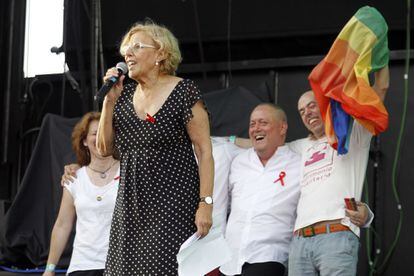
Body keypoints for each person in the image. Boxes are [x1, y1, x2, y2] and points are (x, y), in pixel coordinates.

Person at [97, 20, 214, 275]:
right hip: (131, 207)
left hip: (173, 204)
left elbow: (204, 150)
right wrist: (109, 102)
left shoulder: (183, 91)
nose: (128, 53)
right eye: (126, 48)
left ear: (161, 53)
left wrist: (205, 203)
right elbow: (104, 148)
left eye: (137, 46)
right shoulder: (123, 96)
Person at [288, 65, 390, 276]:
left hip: (336, 235)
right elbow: (260, 147)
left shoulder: (354, 134)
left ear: (325, 105)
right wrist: (216, 140)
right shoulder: (300, 147)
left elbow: (380, 90)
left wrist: (381, 55)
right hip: (299, 242)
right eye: (301, 111)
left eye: (311, 106)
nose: (307, 113)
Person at [220, 103, 301, 276]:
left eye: (263, 122)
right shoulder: (238, 161)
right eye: (252, 124)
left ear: (282, 128)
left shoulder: (298, 164)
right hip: (229, 260)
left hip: (269, 257)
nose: (256, 128)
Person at [43, 112, 120, 276]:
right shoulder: (75, 178)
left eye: (105, 132)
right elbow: (62, 224)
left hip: (121, 265)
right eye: (94, 133)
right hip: (82, 266)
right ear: (84, 141)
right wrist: (49, 269)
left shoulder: (129, 172)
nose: (100, 137)